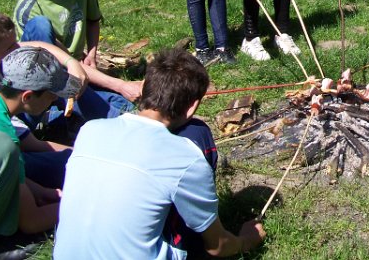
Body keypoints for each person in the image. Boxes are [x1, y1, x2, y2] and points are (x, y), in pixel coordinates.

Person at [54, 48, 265, 259]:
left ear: (144, 87)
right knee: (198, 132)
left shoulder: (90, 130)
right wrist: (247, 240)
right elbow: (217, 247)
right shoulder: (186, 157)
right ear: (192, 107)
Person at [13, 0, 139, 127]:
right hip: (50, 75)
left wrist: (92, 53)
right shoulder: (29, 9)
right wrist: (120, 84)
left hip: (77, 69)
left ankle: (61, 115)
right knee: (40, 26)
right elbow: (52, 61)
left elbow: (92, 20)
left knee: (120, 103)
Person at [0, 45, 82, 244]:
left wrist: (41, 192)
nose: (54, 100)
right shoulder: (4, 139)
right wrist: (83, 205)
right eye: (52, 95)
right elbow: (31, 222)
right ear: (27, 96)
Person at [0, 8, 88, 191]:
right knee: (70, 165)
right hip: (2, 157)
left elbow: (36, 45)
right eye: (10, 48)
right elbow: (28, 211)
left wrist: (72, 62)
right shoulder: (3, 137)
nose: (18, 49)